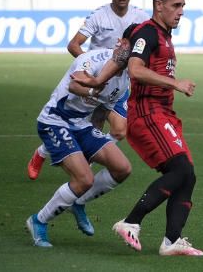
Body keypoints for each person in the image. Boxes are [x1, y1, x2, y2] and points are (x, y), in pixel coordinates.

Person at [109, 0, 203, 256]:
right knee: (181, 171)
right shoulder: (149, 33)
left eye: (183, 6)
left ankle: (171, 242)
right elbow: (136, 70)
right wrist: (175, 83)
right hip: (147, 112)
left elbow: (127, 45)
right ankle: (130, 222)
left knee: (187, 176)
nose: (181, 11)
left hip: (162, 113)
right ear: (159, 6)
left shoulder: (159, 34)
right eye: (176, 5)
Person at [27, 0, 150, 180]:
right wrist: (92, 65)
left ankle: (87, 162)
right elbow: (74, 44)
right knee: (83, 124)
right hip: (93, 80)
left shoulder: (141, 17)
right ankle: (42, 153)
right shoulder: (99, 15)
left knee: (119, 130)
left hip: (119, 82)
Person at [25, 25, 138, 247]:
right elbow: (76, 84)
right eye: (134, 49)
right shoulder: (94, 58)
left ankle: (78, 202)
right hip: (54, 120)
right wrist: (93, 90)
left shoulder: (124, 79)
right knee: (84, 179)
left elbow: (102, 111)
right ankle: (38, 221)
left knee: (122, 167)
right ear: (122, 44)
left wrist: (94, 142)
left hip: (80, 124)